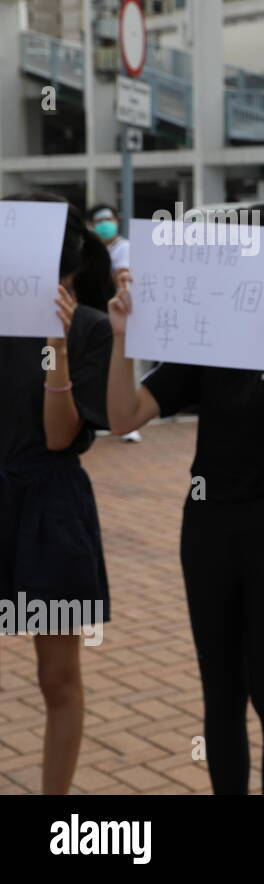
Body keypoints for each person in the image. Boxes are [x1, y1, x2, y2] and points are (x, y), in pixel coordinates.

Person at [107, 203, 264, 795]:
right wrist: (120, 339)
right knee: (221, 692)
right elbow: (123, 417)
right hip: (207, 530)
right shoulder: (204, 341)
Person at [0, 193, 114, 794]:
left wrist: (58, 346)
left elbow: (58, 435)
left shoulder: (91, 328)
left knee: (58, 679)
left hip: (52, 512)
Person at [88, 204, 142, 442]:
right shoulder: (92, 250)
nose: (105, 224)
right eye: (99, 221)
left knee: (125, 364)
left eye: (108, 219)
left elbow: (121, 276)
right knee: (103, 365)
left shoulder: (124, 248)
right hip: (100, 314)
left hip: (121, 314)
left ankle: (130, 424)